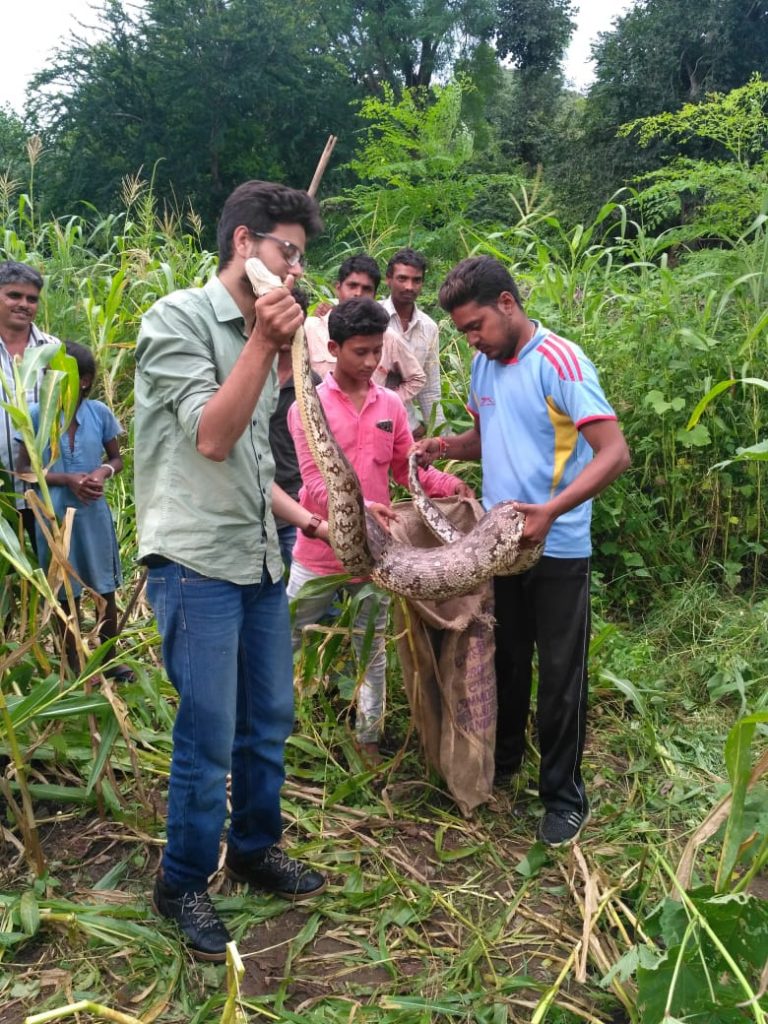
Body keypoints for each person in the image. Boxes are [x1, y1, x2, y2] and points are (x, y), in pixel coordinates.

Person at [134, 180, 329, 962]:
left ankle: (253, 847)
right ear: (245, 245)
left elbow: (256, 466)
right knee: (209, 732)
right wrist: (262, 343)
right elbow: (212, 437)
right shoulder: (175, 319)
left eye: (303, 258)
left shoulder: (270, 334)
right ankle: (182, 879)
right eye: (288, 252)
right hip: (196, 564)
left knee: (271, 717)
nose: (296, 270)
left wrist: (304, 516)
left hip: (258, 557)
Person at [415, 256, 630, 847]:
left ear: (507, 303)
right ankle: (505, 761)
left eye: (476, 325)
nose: (472, 339)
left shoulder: (558, 361)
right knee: (507, 659)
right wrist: (443, 446)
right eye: (462, 331)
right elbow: (489, 439)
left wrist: (550, 512)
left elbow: (614, 452)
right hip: (498, 546)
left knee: (562, 673)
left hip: (557, 545)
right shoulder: (485, 367)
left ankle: (563, 795)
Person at [287, 297, 471, 762]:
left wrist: (449, 482)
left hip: (377, 557)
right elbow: (313, 482)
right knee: (286, 637)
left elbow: (407, 470)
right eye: (361, 352)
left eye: (377, 352)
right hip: (320, 553)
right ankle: (278, 725)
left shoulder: (390, 403)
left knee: (373, 649)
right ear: (333, 347)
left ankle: (367, 736)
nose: (372, 363)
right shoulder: (307, 409)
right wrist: (361, 505)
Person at [16, 341, 131, 680]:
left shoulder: (99, 413)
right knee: (64, 591)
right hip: (53, 518)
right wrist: (66, 478)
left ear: (84, 380)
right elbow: (24, 472)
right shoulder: (37, 415)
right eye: (50, 375)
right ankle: (74, 662)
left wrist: (100, 473)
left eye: (63, 376)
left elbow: (117, 459)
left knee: (104, 587)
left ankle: (109, 658)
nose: (55, 382)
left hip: (92, 515)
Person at [304, 254, 426, 403]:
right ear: (338, 288)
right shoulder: (310, 329)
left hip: (369, 424)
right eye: (352, 286)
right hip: (319, 423)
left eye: (366, 289)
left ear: (374, 295)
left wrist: (385, 403)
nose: (358, 293)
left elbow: (417, 378)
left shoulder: (386, 336)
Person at [0, 261, 62, 546]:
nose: (24, 304)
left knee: (52, 563)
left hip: (46, 486)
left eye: (32, 299)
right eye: (14, 295)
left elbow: (69, 409)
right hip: (3, 489)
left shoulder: (53, 350)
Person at [269, 286, 321, 568]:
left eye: (296, 323)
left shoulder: (314, 384)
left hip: (298, 501)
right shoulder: (249, 377)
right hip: (253, 502)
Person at [380, 248, 445, 437]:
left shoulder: (429, 328)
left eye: (416, 280)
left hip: (407, 428)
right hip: (367, 423)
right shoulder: (372, 315)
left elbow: (430, 391)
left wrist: (442, 440)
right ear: (389, 279)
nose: (409, 286)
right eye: (402, 279)